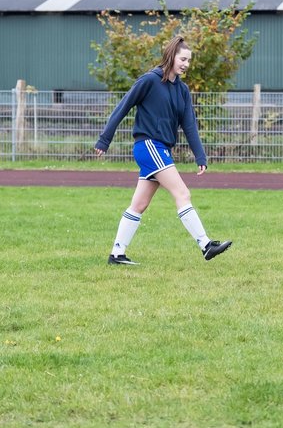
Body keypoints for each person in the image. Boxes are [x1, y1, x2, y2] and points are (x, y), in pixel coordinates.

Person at [93, 36, 232, 266]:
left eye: (189, 60)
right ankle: (206, 245)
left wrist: (200, 155)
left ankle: (116, 254)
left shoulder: (183, 91)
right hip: (149, 145)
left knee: (139, 205)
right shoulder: (149, 80)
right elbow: (123, 106)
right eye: (183, 59)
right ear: (171, 56)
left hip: (159, 149)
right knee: (182, 194)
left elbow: (189, 124)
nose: (186, 64)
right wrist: (104, 139)